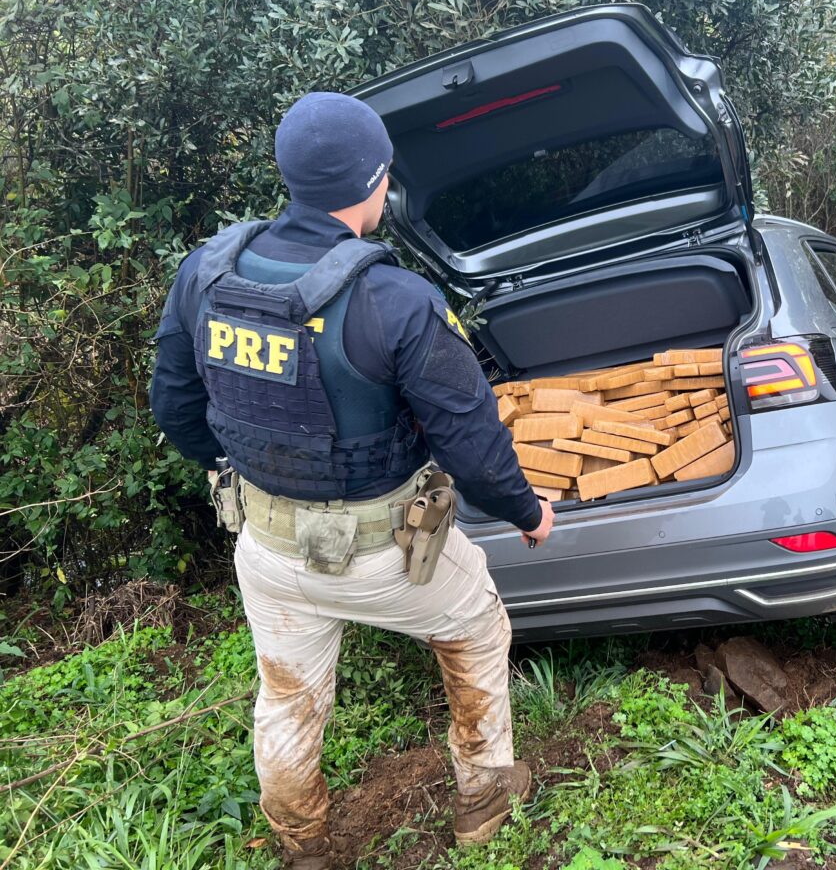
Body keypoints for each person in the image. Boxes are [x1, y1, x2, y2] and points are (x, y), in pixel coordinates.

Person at [150, 92, 554, 868]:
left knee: (288, 696)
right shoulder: (392, 300)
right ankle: (483, 796)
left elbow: (174, 407)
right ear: (379, 184)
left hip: (266, 550)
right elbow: (469, 441)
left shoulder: (206, 274)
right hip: (388, 558)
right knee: (477, 631)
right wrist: (527, 512)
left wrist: (242, 467)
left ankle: (301, 844)